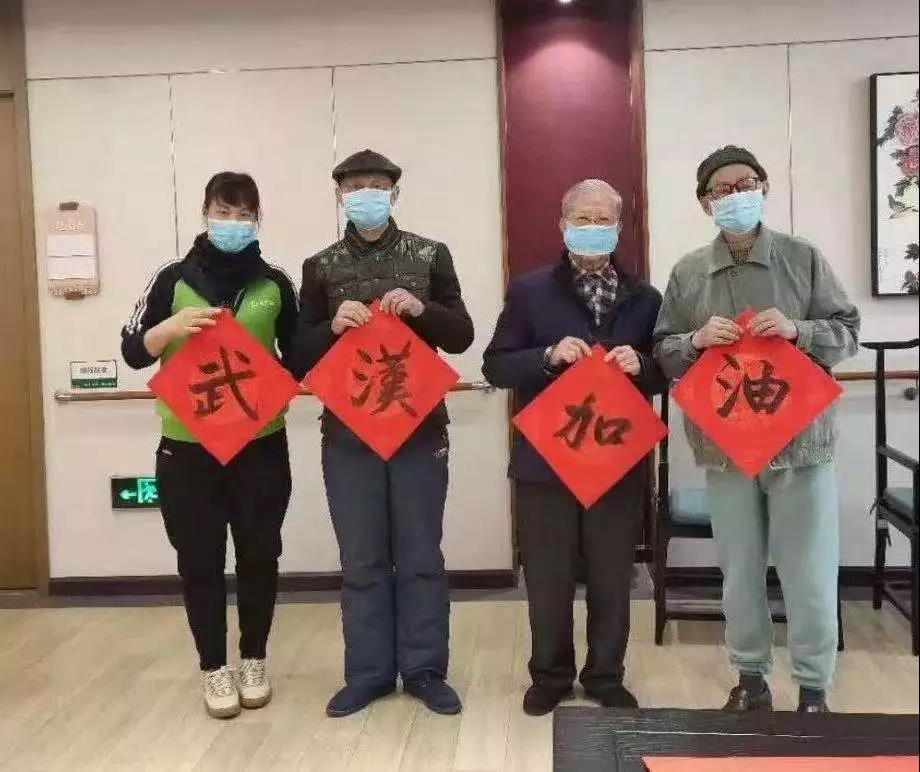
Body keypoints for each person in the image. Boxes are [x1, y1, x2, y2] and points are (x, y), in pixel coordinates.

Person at [654, 146, 860, 714]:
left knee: (808, 571)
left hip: (800, 444)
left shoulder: (801, 257)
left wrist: (798, 331)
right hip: (726, 447)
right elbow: (664, 351)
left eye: (746, 183)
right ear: (705, 203)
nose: (736, 195)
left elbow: (847, 332)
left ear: (764, 188)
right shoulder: (689, 272)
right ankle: (750, 679)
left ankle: (814, 686)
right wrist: (695, 341)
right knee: (740, 570)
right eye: (722, 189)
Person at [293, 149, 474, 718]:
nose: (365, 194)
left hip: (420, 429)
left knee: (420, 554)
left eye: (376, 185)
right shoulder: (320, 266)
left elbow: (462, 335)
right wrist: (330, 327)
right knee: (362, 558)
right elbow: (296, 354)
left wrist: (422, 310)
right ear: (340, 195)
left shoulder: (430, 254)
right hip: (349, 433)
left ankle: (424, 670)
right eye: (354, 186)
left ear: (394, 194)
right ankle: (368, 673)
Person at [482, 179, 664, 716]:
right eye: (582, 218)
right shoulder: (529, 292)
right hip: (545, 460)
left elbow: (666, 372)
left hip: (616, 458)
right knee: (547, 576)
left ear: (619, 227)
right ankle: (551, 675)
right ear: (562, 225)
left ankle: (606, 675)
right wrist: (546, 355)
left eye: (603, 219)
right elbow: (495, 365)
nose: (592, 227)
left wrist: (642, 365)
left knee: (612, 574)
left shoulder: (646, 298)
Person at [121, 172, 298, 719]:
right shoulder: (171, 279)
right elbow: (133, 350)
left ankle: (253, 659)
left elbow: (301, 356)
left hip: (260, 445)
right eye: (225, 212)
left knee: (260, 555)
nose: (234, 223)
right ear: (205, 213)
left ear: (258, 220)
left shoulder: (275, 283)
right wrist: (171, 328)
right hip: (187, 449)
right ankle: (213, 667)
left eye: (245, 215)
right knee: (199, 560)